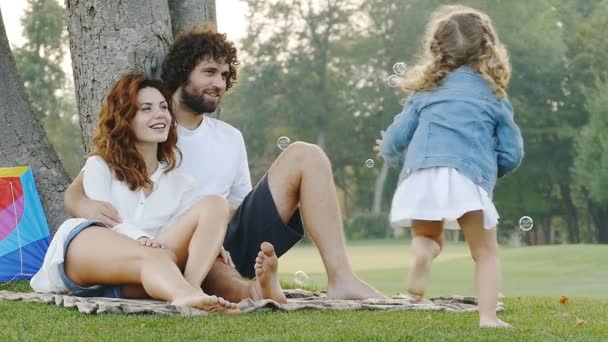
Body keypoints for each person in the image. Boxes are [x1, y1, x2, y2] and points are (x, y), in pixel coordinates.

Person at [63, 25, 385, 301]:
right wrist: (89, 210)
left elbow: (239, 202)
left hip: (226, 239)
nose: (219, 83)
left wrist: (215, 223)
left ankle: (341, 278)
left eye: (224, 75)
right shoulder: (152, 126)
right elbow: (80, 189)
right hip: (169, 246)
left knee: (306, 154)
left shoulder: (230, 137)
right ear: (182, 72)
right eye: (209, 72)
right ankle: (249, 291)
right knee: (206, 238)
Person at [31, 74, 284, 313]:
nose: (159, 114)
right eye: (146, 108)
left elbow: (176, 237)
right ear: (125, 118)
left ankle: (190, 289)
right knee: (151, 254)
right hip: (88, 254)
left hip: (140, 270)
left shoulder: (182, 182)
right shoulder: (101, 165)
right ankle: (182, 289)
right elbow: (105, 222)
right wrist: (142, 239)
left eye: (163, 107)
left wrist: (211, 240)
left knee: (214, 204)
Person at [376, 5, 523, 327]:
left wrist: (387, 150)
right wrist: (491, 169)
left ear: (439, 50)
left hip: (422, 176)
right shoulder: (493, 93)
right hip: (467, 177)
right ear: (487, 49)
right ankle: (487, 318)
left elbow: (397, 135)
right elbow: (513, 151)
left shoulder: (425, 91)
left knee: (428, 237)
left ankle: (422, 257)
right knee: (484, 253)